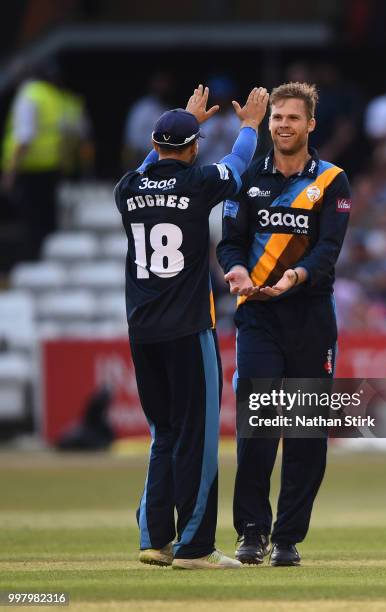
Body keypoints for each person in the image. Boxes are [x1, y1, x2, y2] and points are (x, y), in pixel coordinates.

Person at [114, 84, 269, 570]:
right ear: (193, 147)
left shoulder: (126, 190)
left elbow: (148, 168)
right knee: (198, 435)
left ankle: (153, 539)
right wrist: (250, 125)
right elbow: (240, 164)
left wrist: (182, 121)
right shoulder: (197, 183)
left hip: (143, 332)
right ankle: (196, 547)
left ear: (156, 145)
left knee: (163, 432)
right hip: (187, 328)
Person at [217, 82, 351, 566]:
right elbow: (229, 243)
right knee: (258, 427)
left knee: (306, 434)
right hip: (258, 317)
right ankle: (251, 532)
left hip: (311, 316)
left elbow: (328, 251)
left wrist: (293, 277)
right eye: (277, 118)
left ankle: (288, 538)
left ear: (310, 124)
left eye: (293, 118)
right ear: (269, 122)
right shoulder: (248, 181)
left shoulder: (332, 180)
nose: (283, 125)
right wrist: (234, 270)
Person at [1, 60, 67, 260]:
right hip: (51, 165)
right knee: (48, 221)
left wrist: (10, 172)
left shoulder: (28, 96)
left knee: (32, 224)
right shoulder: (51, 95)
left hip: (30, 167)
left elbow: (24, 136)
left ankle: (32, 261)